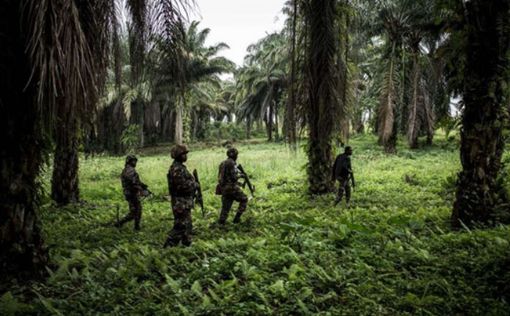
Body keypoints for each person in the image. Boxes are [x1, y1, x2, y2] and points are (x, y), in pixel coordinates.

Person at [164, 144, 197, 247]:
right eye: (184, 154)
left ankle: (187, 244)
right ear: (178, 155)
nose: (185, 156)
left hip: (184, 202)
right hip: (180, 202)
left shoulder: (180, 167)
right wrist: (194, 184)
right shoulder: (177, 169)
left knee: (187, 225)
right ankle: (169, 246)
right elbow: (181, 186)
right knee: (180, 226)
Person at [217, 147, 248, 225]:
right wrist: (241, 176)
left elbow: (221, 177)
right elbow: (234, 177)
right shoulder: (232, 163)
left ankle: (221, 223)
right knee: (244, 199)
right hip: (231, 187)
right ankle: (236, 219)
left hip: (223, 188)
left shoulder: (222, 163)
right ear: (235, 155)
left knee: (226, 207)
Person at [117, 155, 147, 230]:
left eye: (135, 161)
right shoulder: (130, 170)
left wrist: (143, 185)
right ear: (129, 161)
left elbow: (135, 181)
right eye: (133, 161)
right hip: (132, 193)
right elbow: (133, 183)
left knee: (136, 210)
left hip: (130, 193)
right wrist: (141, 190)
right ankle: (120, 223)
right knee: (135, 211)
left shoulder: (127, 169)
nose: (135, 163)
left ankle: (135, 226)